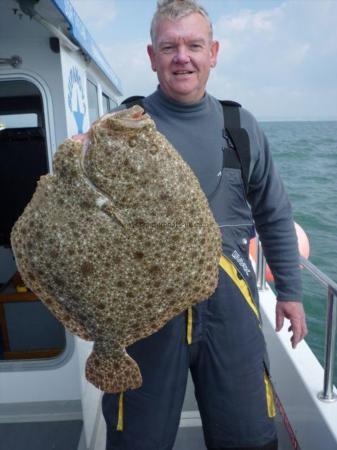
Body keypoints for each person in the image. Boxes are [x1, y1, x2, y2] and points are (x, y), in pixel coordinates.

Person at [102, 1, 308, 449]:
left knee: (249, 437)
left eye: (194, 45)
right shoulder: (118, 128)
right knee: (137, 439)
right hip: (145, 314)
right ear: (151, 56)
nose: (182, 57)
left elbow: (273, 212)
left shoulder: (240, 126)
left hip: (230, 307)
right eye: (169, 46)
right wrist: (77, 156)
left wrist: (290, 292)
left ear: (213, 52)